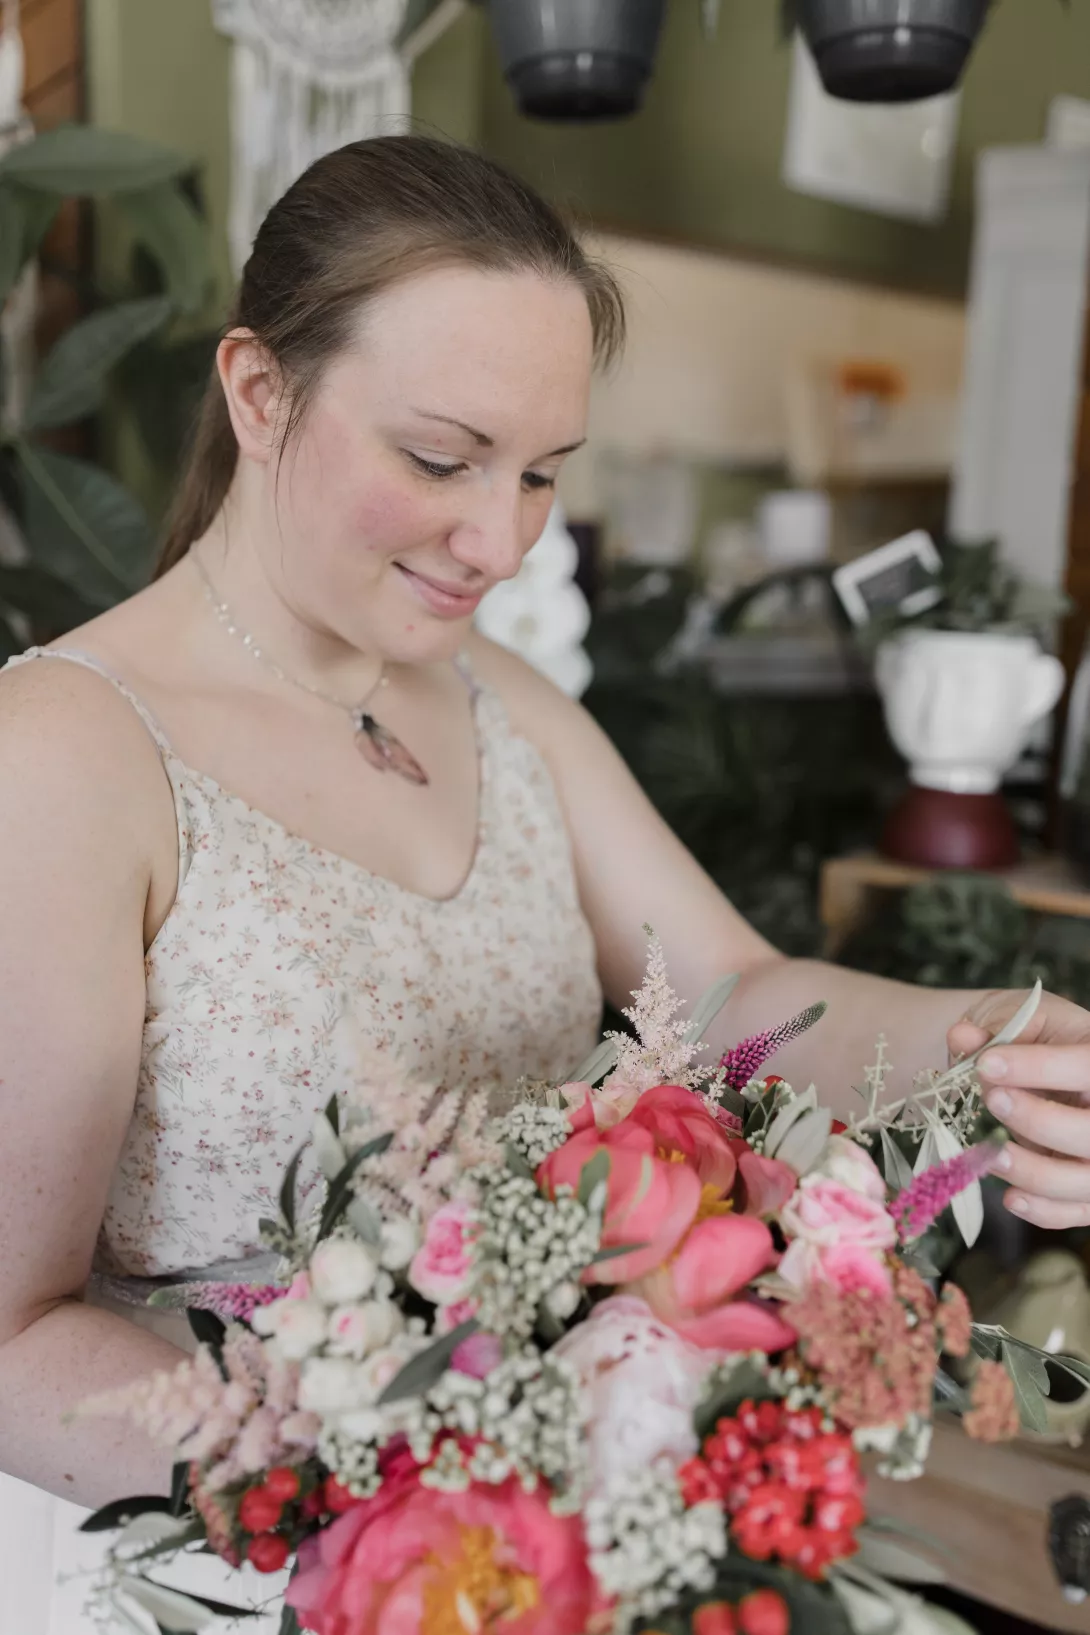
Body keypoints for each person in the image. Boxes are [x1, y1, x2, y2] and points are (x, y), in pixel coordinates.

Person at [0, 133, 1088, 1630]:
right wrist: (406, 1485)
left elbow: (734, 992)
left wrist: (990, 1037)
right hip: (233, 1563)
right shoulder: (66, 749)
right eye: (442, 460)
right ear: (259, 394)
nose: (499, 538)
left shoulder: (499, 698)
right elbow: (6, 1334)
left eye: (540, 474)